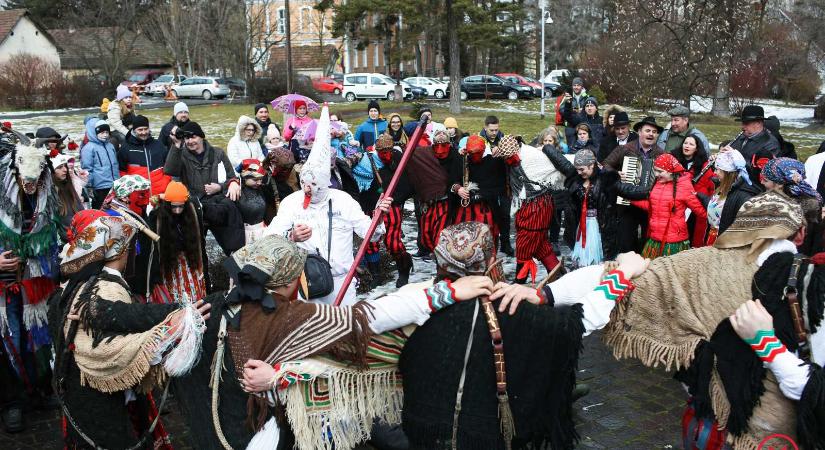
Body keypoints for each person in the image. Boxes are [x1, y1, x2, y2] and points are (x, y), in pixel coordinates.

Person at [171, 232, 496, 449]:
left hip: (220, 427)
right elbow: (368, 318)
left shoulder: (217, 305)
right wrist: (447, 291)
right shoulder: (295, 315)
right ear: (290, 282)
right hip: (268, 431)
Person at [49, 210, 209, 449]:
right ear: (120, 251)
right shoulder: (103, 290)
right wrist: (178, 314)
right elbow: (122, 317)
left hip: (77, 394)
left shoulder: (74, 283)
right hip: (100, 402)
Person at [266, 105, 390, 306]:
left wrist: (380, 216)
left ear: (325, 183)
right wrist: (291, 237)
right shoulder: (292, 203)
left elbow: (371, 234)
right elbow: (269, 238)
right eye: (305, 182)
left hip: (343, 283)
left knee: (343, 331)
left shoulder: (343, 200)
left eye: (314, 184)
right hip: (307, 283)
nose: (308, 188)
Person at [0, 144, 61, 433]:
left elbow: (53, 230)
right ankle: (12, 402)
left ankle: (39, 390)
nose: (30, 187)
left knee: (36, 336)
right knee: (8, 339)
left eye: (35, 182)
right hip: (4, 286)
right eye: (26, 182)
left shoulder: (46, 197)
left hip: (34, 282)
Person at [548, 149, 648, 266]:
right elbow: (562, 162)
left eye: (582, 169)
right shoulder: (576, 177)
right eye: (577, 169)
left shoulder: (606, 179)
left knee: (598, 260)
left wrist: (650, 191)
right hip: (580, 225)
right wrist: (547, 148)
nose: (579, 172)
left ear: (592, 165)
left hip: (601, 226)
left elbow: (627, 190)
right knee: (582, 261)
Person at [163, 121, 244, 255]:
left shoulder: (218, 153)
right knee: (195, 249)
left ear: (202, 137)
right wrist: (176, 145)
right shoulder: (181, 155)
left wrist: (220, 187)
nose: (190, 141)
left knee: (233, 243)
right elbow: (170, 170)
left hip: (219, 204)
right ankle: (201, 272)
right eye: (187, 138)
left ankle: (235, 266)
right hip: (196, 205)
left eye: (193, 137)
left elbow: (231, 177)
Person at [504, 136, 564, 282]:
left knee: (525, 244)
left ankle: (519, 281)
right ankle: (560, 277)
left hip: (537, 206)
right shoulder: (516, 159)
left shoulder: (530, 157)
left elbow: (553, 172)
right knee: (541, 246)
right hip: (531, 205)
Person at [603, 116, 665, 253]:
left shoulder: (661, 154)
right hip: (627, 202)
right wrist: (616, 174)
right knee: (626, 239)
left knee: (647, 239)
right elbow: (606, 165)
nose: (651, 134)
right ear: (639, 132)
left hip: (650, 203)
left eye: (654, 132)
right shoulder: (625, 149)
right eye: (648, 130)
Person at [630, 154, 706, 259]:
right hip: (654, 238)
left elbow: (701, 212)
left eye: (660, 171)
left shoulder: (685, 187)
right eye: (655, 170)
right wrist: (631, 200)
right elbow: (653, 206)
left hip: (674, 242)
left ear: (671, 171)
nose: (656, 174)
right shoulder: (658, 183)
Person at [147, 182, 210, 304]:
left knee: (195, 293)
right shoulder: (158, 216)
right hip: (170, 262)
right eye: (174, 207)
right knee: (174, 295)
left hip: (190, 259)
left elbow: (199, 241)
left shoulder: (193, 211)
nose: (177, 211)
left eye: (180, 207)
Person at [373, 134, 415, 287]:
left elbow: (406, 186)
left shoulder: (399, 160)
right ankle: (375, 275)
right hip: (374, 205)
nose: (384, 155)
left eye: (387, 151)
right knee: (372, 241)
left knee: (392, 241)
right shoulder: (371, 161)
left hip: (393, 205)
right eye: (381, 151)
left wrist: (395, 199)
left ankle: (404, 268)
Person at [451, 135, 503, 251]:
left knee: (486, 238)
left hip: (486, 208)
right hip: (465, 208)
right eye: (472, 153)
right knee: (464, 239)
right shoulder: (462, 161)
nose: (475, 156)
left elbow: (499, 186)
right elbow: (452, 179)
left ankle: (487, 263)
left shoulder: (493, 162)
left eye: (478, 152)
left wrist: (499, 149)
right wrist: (458, 188)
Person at [760, 157, 823, 253]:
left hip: (789, 258)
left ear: (779, 184)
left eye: (765, 180)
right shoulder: (812, 200)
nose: (761, 182)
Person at [477, 116, 514, 256]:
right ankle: (490, 245)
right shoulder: (479, 140)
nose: (494, 133)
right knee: (490, 217)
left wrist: (504, 151)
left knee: (505, 215)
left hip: (504, 184)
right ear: (485, 127)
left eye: (496, 130)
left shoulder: (504, 139)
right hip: (486, 185)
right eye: (491, 130)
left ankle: (506, 244)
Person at [672, 135, 715, 247]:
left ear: (697, 148)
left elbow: (710, 186)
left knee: (691, 234)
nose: (687, 146)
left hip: (695, 206)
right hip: (676, 203)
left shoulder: (704, 164)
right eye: (685, 143)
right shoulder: (673, 160)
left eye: (691, 144)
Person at [118, 115, 171, 196]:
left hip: (159, 194)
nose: (143, 132)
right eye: (140, 130)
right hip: (137, 197)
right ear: (134, 130)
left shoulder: (159, 145)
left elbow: (168, 167)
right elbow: (121, 172)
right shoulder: (125, 147)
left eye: (146, 129)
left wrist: (164, 183)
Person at [715, 149, 762, 235]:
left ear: (728, 173)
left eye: (718, 170)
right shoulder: (722, 186)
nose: (715, 172)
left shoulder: (744, 196)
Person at [237, 159, 278, 244]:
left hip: (263, 229)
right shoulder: (237, 191)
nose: (259, 183)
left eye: (261, 179)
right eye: (256, 180)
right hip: (245, 233)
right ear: (244, 177)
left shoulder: (262, 189)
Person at [80, 119, 119, 209]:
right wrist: (89, 186)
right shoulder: (88, 148)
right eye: (102, 133)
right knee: (100, 211)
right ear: (94, 132)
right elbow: (87, 169)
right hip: (99, 187)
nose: (105, 135)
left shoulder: (110, 146)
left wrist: (118, 181)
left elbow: (115, 165)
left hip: (114, 186)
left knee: (116, 211)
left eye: (107, 132)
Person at [51, 153, 86, 238]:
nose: (65, 170)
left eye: (65, 166)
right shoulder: (51, 192)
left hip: (80, 233)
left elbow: (80, 210)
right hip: (66, 239)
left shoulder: (68, 186)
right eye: (59, 167)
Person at [560, 77, 590, 146]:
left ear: (582, 87)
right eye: (574, 85)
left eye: (578, 85)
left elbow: (591, 109)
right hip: (570, 126)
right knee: (571, 147)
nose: (576, 87)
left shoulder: (586, 97)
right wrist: (571, 110)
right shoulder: (567, 96)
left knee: (584, 145)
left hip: (583, 125)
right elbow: (560, 110)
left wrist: (583, 110)